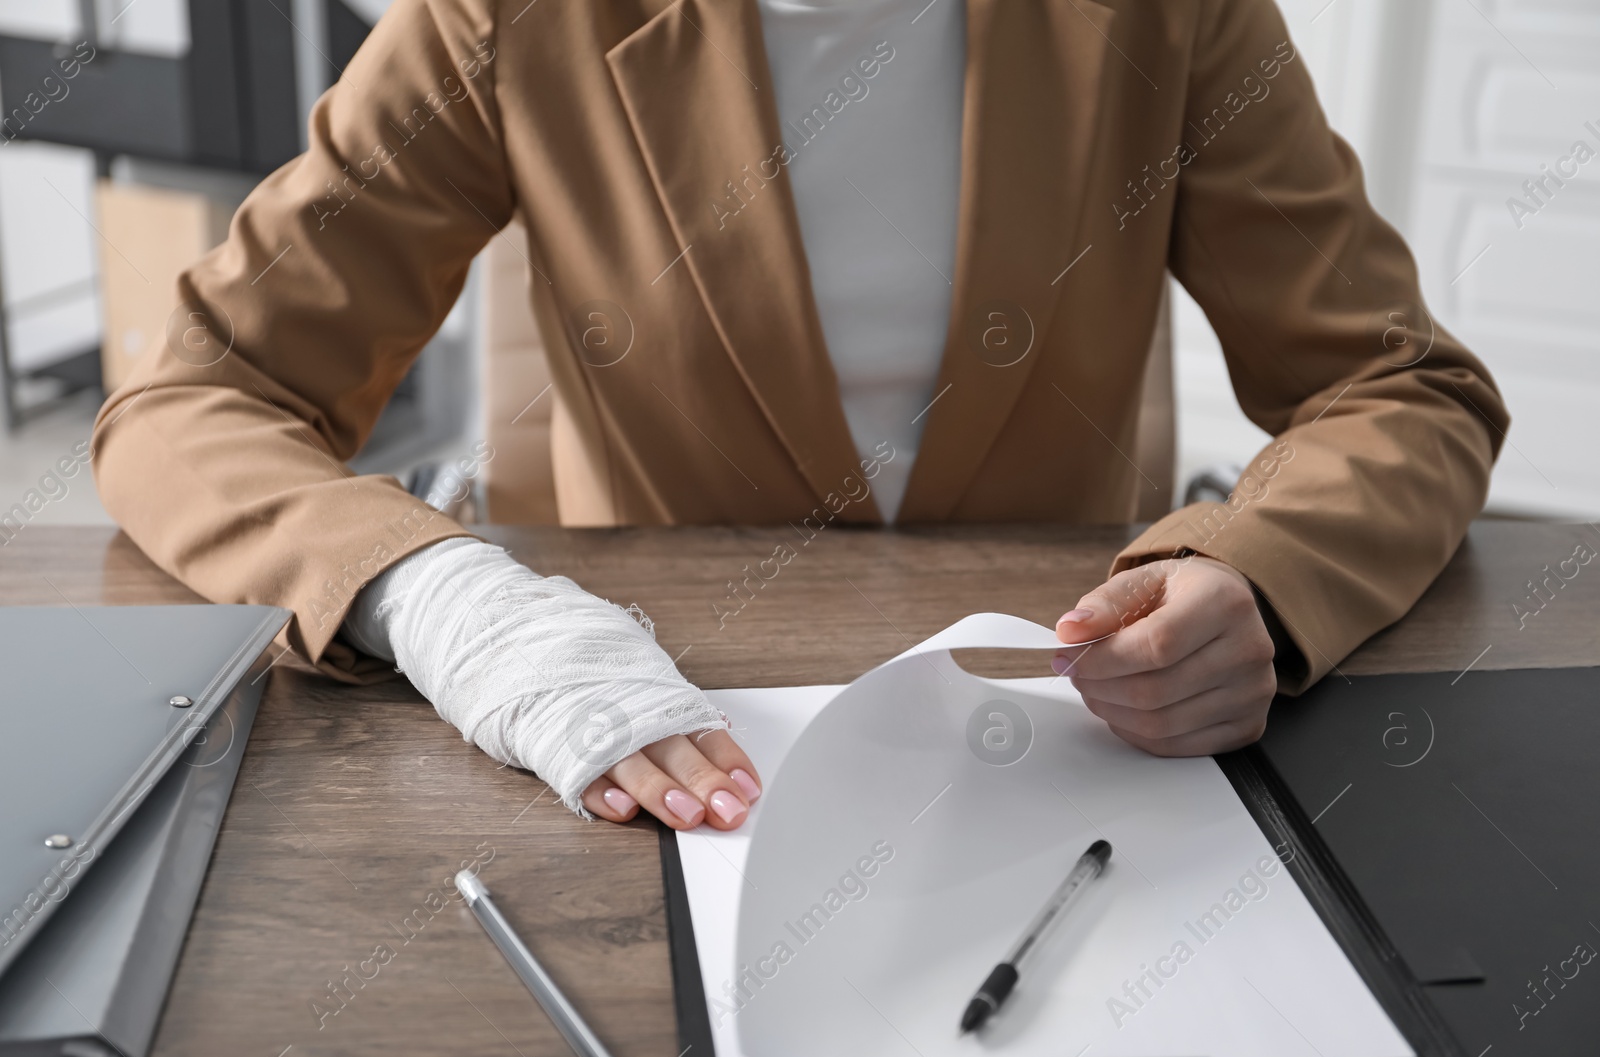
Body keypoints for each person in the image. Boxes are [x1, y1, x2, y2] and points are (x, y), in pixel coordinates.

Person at [92, 0, 1507, 834]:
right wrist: (456, 606)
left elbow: (1401, 387)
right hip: (644, 731)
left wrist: (1262, 573)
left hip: (1070, 747)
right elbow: (196, 398)